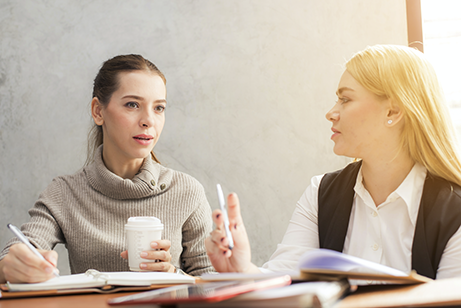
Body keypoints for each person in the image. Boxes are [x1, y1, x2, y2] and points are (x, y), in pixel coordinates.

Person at [206, 44, 461, 280]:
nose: (331, 113)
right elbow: (283, 282)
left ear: (393, 112)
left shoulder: (454, 209)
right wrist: (242, 269)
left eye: (345, 99)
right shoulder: (320, 193)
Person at [0, 54, 214, 283]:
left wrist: (174, 276)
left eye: (159, 108)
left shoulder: (187, 191)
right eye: (133, 104)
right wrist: (9, 267)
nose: (148, 120)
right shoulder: (64, 193)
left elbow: (214, 283)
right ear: (98, 111)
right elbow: (20, 250)